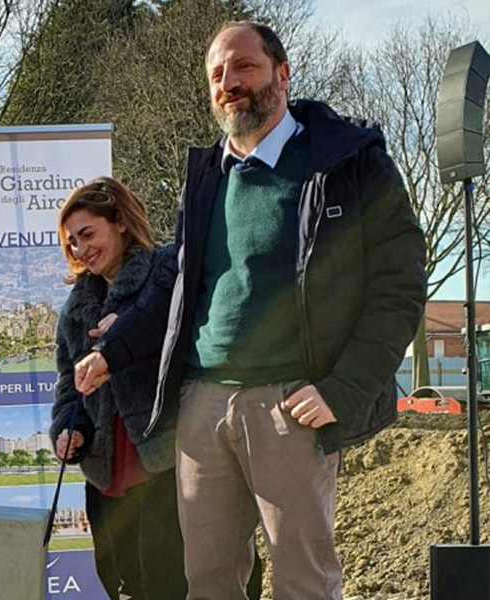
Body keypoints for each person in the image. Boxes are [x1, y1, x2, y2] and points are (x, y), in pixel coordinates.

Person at [74, 21, 427, 600]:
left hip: (291, 403)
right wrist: (112, 353)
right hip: (202, 403)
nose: (229, 83)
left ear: (282, 75)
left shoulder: (349, 163)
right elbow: (173, 283)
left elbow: (399, 289)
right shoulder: (208, 175)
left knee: (301, 582)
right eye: (217, 73)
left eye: (244, 67)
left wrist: (342, 390)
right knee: (207, 580)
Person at [50, 177, 185, 599]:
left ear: (121, 223)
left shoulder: (167, 272)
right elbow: (68, 386)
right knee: (121, 584)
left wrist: (123, 337)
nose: (80, 249)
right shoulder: (75, 307)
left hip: (167, 462)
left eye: (88, 234)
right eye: (72, 242)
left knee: (171, 584)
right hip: (106, 473)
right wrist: (67, 431)